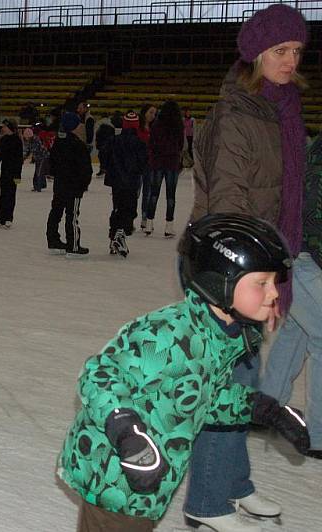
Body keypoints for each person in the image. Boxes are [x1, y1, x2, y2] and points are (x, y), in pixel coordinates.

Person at [60, 214, 310, 532]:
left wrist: (266, 409)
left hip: (150, 480)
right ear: (220, 281)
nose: (274, 294)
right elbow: (99, 375)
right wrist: (126, 432)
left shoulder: (219, 337)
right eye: (262, 283)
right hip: (114, 476)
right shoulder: (166, 334)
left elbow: (205, 396)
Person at [186, 5, 308, 529]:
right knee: (226, 384)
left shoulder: (283, 109)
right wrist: (247, 280)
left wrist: (277, 271)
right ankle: (208, 502)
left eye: (297, 51)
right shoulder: (240, 112)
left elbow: (288, 196)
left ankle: (233, 485)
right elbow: (230, 202)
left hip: (258, 264)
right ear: (257, 55)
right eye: (280, 50)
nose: (290, 60)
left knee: (242, 378)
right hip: (227, 265)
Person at [261, 134, 322, 461]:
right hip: (300, 255)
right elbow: (312, 217)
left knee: (298, 328)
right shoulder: (315, 159)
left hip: (298, 253)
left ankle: (267, 405)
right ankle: (318, 434)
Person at [45, 112, 92, 257]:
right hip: (74, 187)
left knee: (56, 211)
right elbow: (85, 169)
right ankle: (73, 246)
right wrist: (84, 184)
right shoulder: (78, 145)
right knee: (72, 215)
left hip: (60, 184)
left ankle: (53, 240)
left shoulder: (58, 142)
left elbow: (52, 162)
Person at [103, 111, 148, 258]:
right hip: (131, 182)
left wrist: (110, 170)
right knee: (129, 210)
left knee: (117, 208)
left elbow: (104, 156)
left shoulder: (113, 140)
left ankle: (114, 237)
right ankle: (119, 235)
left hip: (116, 182)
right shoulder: (139, 143)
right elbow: (144, 163)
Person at [144, 100, 184, 238]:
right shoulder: (178, 126)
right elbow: (180, 144)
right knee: (170, 195)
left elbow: (152, 143)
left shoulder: (156, 125)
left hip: (158, 162)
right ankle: (169, 226)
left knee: (154, 193)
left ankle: (149, 223)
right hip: (172, 162)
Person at [0, 118, 23, 229]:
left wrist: (18, 175)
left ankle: (9, 217)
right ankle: (1, 217)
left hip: (13, 173)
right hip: (5, 171)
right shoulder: (3, 140)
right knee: (3, 195)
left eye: (4, 126)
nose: (2, 128)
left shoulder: (17, 141)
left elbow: (19, 160)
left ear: (10, 127)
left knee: (11, 195)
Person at [137, 103, 157, 231]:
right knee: (136, 192)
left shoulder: (154, 128)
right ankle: (129, 216)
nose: (152, 116)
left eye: (154, 113)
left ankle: (145, 218)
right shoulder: (137, 128)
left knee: (147, 193)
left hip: (150, 164)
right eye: (150, 112)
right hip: (138, 164)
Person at [28, 122, 49, 192]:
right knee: (38, 171)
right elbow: (29, 150)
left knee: (39, 172)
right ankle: (41, 184)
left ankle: (38, 186)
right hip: (39, 158)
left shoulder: (36, 140)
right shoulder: (31, 141)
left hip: (42, 157)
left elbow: (36, 149)